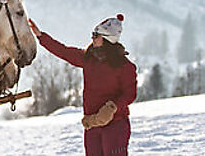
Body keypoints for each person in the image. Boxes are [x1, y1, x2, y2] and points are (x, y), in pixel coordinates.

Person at [29, 14, 137, 156]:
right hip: (92, 123)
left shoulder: (124, 66)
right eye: (93, 34)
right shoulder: (88, 58)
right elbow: (64, 51)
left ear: (107, 40)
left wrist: (112, 107)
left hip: (115, 125)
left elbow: (130, 94)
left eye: (96, 35)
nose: (92, 38)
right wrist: (41, 36)